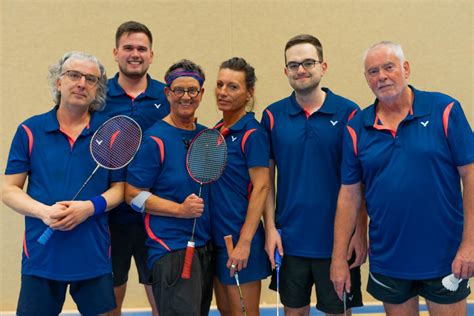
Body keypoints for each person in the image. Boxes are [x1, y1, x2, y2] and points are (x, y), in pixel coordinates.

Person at [331, 41, 474, 316]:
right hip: (389, 257)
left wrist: (470, 243)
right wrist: (338, 260)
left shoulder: (444, 109)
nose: (381, 76)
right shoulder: (356, 127)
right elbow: (349, 195)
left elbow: (470, 176)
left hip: (446, 257)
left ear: (405, 69)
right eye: (373, 71)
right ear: (366, 79)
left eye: (388, 67)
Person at [1, 51, 124, 315]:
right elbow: (8, 189)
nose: (81, 83)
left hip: (93, 252)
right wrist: (44, 212)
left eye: (91, 79)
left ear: (97, 90)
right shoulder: (29, 130)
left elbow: (120, 189)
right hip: (42, 252)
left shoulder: (109, 132)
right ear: (58, 82)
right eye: (73, 75)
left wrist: (89, 208)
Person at [260, 34, 366, 316]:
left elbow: (358, 182)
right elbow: (265, 183)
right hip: (289, 241)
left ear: (323, 66)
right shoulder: (272, 116)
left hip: (337, 244)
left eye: (308, 62)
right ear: (286, 72)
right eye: (293, 65)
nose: (301, 70)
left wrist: (360, 233)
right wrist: (270, 229)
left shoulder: (350, 112)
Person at [125, 59, 213, 316]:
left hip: (205, 249)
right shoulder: (154, 140)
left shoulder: (206, 137)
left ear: (201, 94)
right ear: (167, 93)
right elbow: (133, 195)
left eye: (192, 90)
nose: (186, 97)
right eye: (178, 90)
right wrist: (179, 210)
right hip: (170, 249)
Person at [102, 21, 169, 316]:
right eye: (128, 47)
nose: (135, 54)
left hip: (154, 214)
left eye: (142, 48)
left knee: (161, 297)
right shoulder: (98, 96)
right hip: (108, 215)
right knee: (110, 295)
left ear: (151, 55)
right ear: (116, 53)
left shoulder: (167, 96)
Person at [211, 57, 272, 315]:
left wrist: (245, 242)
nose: (223, 92)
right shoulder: (215, 131)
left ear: (249, 93)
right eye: (220, 84)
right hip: (215, 240)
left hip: (239, 243)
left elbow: (261, 187)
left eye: (233, 86)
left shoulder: (252, 133)